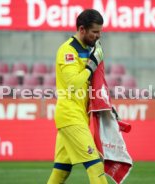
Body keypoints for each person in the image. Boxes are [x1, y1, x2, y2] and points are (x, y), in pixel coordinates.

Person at [47, 9, 107, 184]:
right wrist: (91, 66)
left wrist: (106, 105)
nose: (98, 36)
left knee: (61, 172)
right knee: (96, 167)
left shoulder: (90, 49)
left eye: (100, 32)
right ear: (82, 30)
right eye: (95, 32)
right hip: (70, 116)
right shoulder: (68, 50)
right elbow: (74, 84)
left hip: (79, 116)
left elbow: (94, 83)